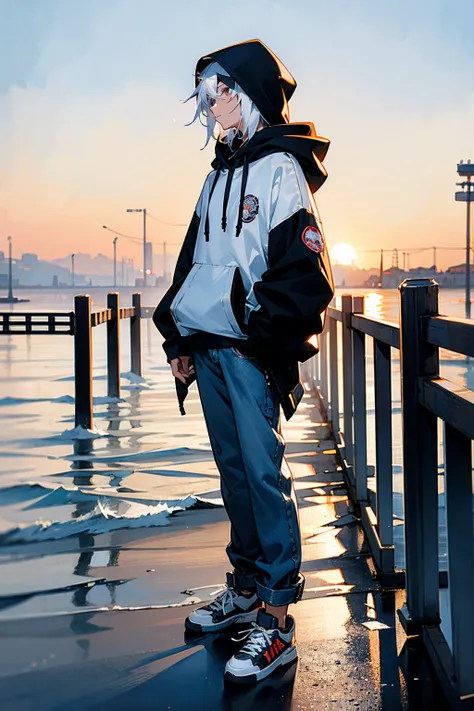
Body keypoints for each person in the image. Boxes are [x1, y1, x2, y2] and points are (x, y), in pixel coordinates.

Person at [153, 38, 334, 684]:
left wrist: (257, 332)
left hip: (249, 350)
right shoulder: (215, 177)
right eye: (205, 94)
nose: (209, 104)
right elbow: (192, 267)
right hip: (208, 352)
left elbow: (308, 274)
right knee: (234, 474)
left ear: (249, 94)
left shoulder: (280, 171)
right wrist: (179, 340)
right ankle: (246, 588)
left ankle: (277, 619)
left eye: (219, 90)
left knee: (263, 477)